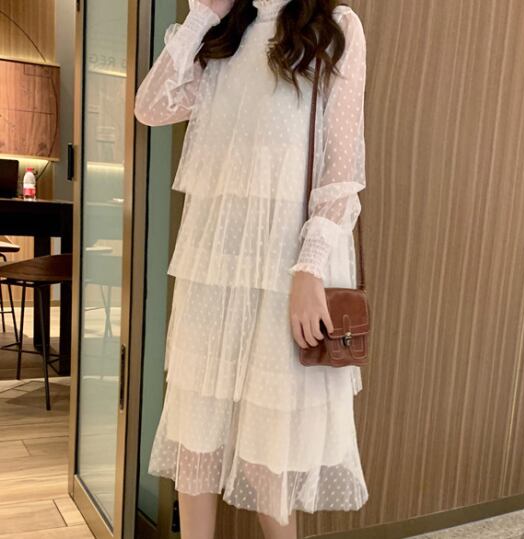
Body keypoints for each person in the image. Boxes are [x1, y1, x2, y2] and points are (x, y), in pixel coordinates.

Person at [134, 0, 368, 537]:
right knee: (195, 443)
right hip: (215, 270)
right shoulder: (225, 38)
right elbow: (151, 105)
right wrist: (202, 15)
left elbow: (340, 174)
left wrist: (309, 270)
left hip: (285, 271)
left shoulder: (335, 29)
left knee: (269, 461)